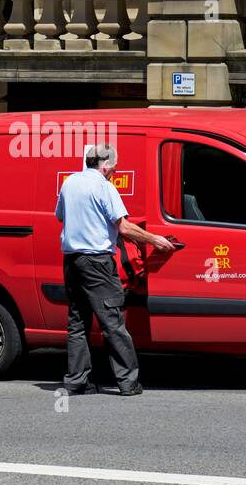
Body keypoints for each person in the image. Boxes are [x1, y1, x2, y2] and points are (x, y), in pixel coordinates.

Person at [55, 143, 176, 396]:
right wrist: (155, 240)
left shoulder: (70, 183)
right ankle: (128, 382)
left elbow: (60, 216)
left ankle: (76, 380)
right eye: (115, 168)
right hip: (97, 262)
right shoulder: (104, 187)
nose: (115, 173)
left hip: (72, 261)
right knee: (113, 323)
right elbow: (124, 227)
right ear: (106, 166)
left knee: (78, 323)